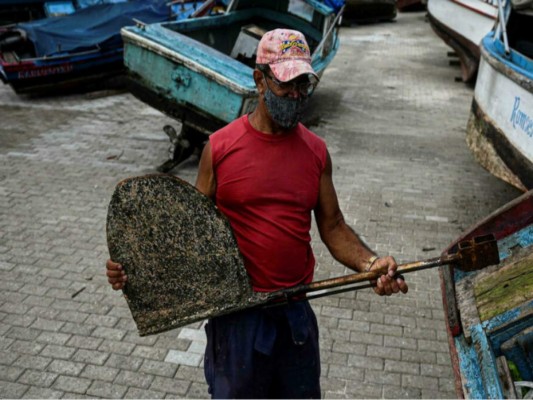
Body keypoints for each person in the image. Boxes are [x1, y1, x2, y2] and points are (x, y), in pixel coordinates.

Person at [106, 28, 408, 399]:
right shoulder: (220, 149)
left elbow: (333, 226)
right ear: (259, 80)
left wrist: (371, 263)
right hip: (237, 320)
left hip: (295, 314)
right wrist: (135, 271)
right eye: (285, 85)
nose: (296, 96)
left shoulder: (316, 152)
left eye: (302, 85)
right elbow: (190, 236)